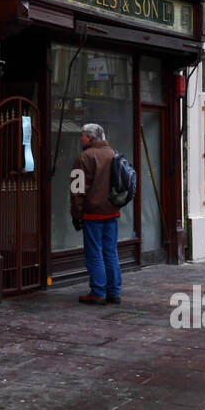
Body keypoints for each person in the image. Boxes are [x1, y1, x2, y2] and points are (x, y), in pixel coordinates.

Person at [70, 123, 121, 305]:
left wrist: (76, 213)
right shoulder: (113, 153)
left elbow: (77, 189)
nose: (81, 138)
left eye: (82, 135)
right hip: (112, 211)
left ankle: (98, 291)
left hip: (92, 213)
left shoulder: (84, 157)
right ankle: (114, 291)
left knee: (94, 253)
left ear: (90, 138)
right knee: (110, 251)